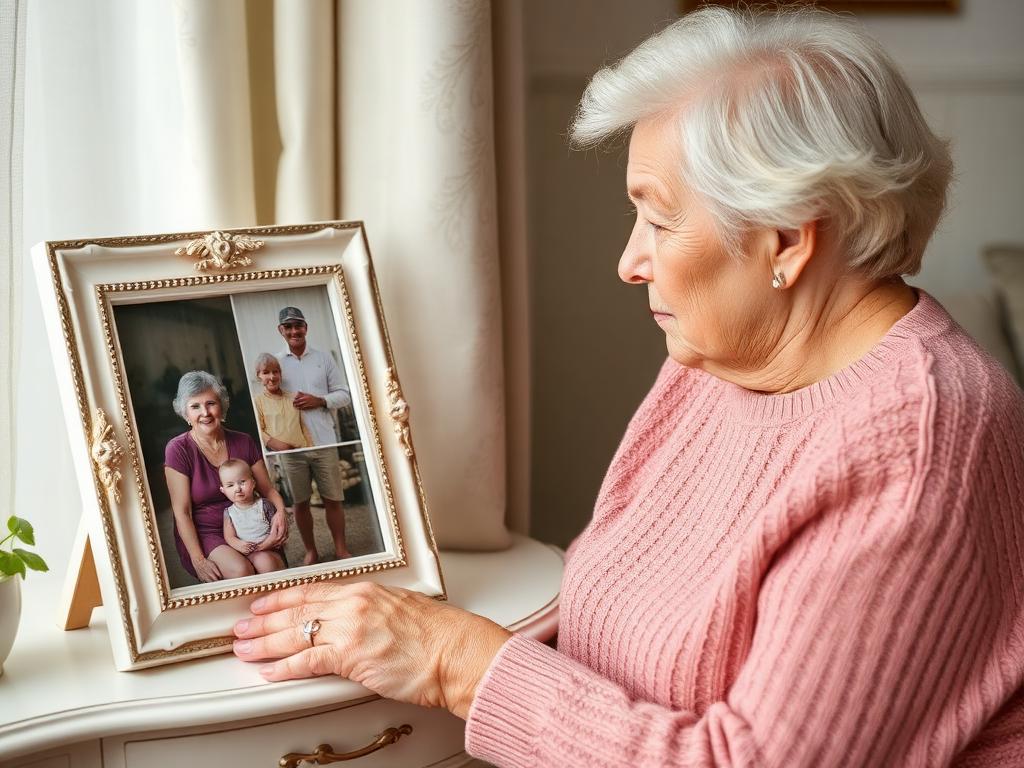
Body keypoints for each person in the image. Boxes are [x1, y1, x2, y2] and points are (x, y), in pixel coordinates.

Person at [232, 7, 1024, 766]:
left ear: (786, 239)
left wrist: (455, 663)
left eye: (660, 219)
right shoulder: (724, 357)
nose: (629, 261)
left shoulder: (921, 446)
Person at [164, 370, 289, 583]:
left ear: (221, 405)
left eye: (210, 403)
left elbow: (268, 490)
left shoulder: (244, 441)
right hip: (207, 530)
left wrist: (280, 513)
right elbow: (182, 512)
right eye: (195, 406)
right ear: (185, 413)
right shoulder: (178, 449)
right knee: (241, 570)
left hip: (250, 523)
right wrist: (198, 560)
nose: (205, 412)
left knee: (267, 566)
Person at [274, 306, 352, 564]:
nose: (294, 331)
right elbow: (267, 400)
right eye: (288, 327)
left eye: (299, 325)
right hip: (292, 447)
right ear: (281, 331)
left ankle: (340, 548)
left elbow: (344, 395)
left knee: (333, 499)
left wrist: (319, 400)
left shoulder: (324, 359)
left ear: (306, 327)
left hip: (324, 441)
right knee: (300, 502)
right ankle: (311, 551)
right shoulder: (275, 364)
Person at [219, 458, 287, 574]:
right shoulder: (229, 512)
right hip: (247, 552)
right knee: (247, 567)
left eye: (242, 482)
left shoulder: (264, 505)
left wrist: (266, 544)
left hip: (269, 548)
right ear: (223, 490)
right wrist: (239, 545)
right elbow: (229, 536)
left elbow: (275, 530)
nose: (238, 488)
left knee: (266, 563)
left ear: (253, 483)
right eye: (230, 485)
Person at [252, 353, 313, 452]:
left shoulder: (293, 397)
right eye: (266, 372)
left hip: (304, 451)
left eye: (275, 372)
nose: (272, 377)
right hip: (280, 455)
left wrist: (311, 448)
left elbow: (303, 426)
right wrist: (279, 446)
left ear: (280, 374)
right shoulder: (258, 402)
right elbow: (259, 431)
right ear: (258, 376)